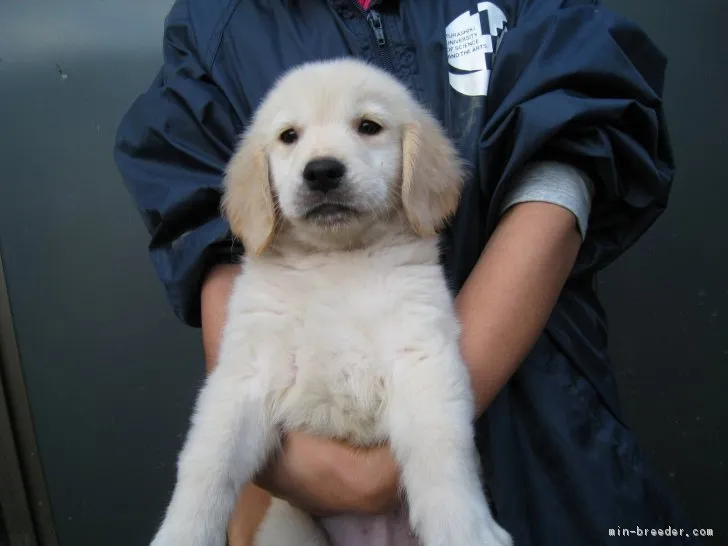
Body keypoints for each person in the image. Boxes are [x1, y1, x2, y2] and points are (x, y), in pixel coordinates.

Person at [114, 0, 696, 544]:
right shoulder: (216, 21)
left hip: (541, 431)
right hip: (302, 508)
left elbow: (586, 119)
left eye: (367, 127)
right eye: (291, 138)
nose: (321, 162)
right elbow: (193, 201)